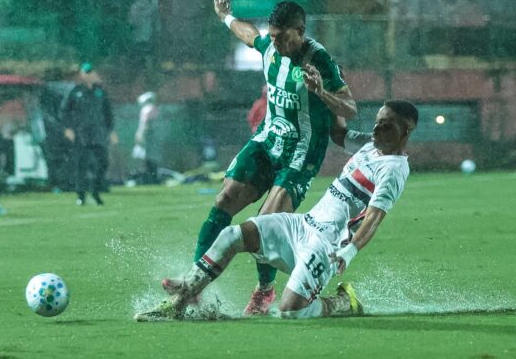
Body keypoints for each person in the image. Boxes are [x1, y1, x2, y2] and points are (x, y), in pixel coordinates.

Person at [135, 100, 417, 321]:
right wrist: (324, 91)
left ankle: (344, 302)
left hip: (326, 246)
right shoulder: (370, 145)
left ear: (405, 132)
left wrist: (349, 251)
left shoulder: (393, 170)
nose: (377, 129)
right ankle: (180, 302)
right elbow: (339, 133)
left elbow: (374, 218)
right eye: (377, 122)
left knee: (291, 311)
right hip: (303, 224)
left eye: (387, 126)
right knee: (233, 234)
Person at [180, 0, 357, 316]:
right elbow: (250, 36)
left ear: (300, 31)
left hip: (300, 156)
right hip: (267, 141)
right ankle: (193, 285)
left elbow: (350, 108)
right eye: (273, 36)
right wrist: (226, 17)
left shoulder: (320, 61)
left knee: (263, 226)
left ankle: (264, 291)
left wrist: (321, 92)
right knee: (223, 200)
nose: (275, 43)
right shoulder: (270, 49)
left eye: (282, 37)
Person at [60, 62, 115, 205]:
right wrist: (68, 128)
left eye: (91, 72)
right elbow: (64, 111)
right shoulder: (75, 91)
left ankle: (96, 191)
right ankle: (81, 195)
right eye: (86, 72)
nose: (89, 75)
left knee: (103, 162)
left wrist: (111, 130)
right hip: (81, 133)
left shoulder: (100, 91)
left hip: (98, 133)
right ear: (82, 75)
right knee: (81, 165)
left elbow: (108, 112)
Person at [132, 91, 162, 185]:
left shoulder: (147, 109)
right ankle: (152, 178)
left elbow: (146, 124)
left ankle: (149, 178)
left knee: (147, 158)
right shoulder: (153, 108)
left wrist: (141, 135)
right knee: (150, 158)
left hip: (148, 137)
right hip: (151, 137)